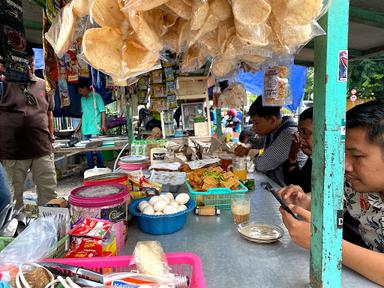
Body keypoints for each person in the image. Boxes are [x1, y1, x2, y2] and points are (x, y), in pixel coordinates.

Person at [279, 100, 384, 286]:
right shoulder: (358, 186)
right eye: (344, 154)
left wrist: (325, 243)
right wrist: (306, 201)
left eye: (357, 156)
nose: (345, 166)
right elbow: (333, 200)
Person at [0, 47, 57, 209]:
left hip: (42, 149)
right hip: (13, 152)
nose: (29, 67)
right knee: (13, 198)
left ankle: (50, 227)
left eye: (31, 62)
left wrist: (51, 138)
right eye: (25, 63)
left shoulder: (43, 85)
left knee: (49, 195)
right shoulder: (4, 85)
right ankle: (14, 231)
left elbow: (49, 114)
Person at [235, 97, 298, 186]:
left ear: (272, 120)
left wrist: (251, 153)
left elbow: (262, 165)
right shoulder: (274, 131)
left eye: (256, 123)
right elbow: (256, 145)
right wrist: (247, 149)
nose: (253, 128)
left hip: (288, 193)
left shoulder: (289, 134)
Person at [75, 78, 107, 169]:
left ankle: (101, 167)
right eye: (79, 91)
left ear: (86, 88)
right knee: (87, 149)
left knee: (97, 149)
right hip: (85, 128)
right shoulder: (82, 99)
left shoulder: (96, 96)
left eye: (81, 90)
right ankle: (90, 167)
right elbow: (83, 114)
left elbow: (102, 111)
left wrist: (103, 124)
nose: (80, 93)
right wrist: (79, 126)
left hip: (95, 128)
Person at [283, 107, 313, 192]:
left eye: (305, 133)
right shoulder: (313, 160)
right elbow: (296, 184)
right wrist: (292, 155)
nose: (300, 138)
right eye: (299, 132)